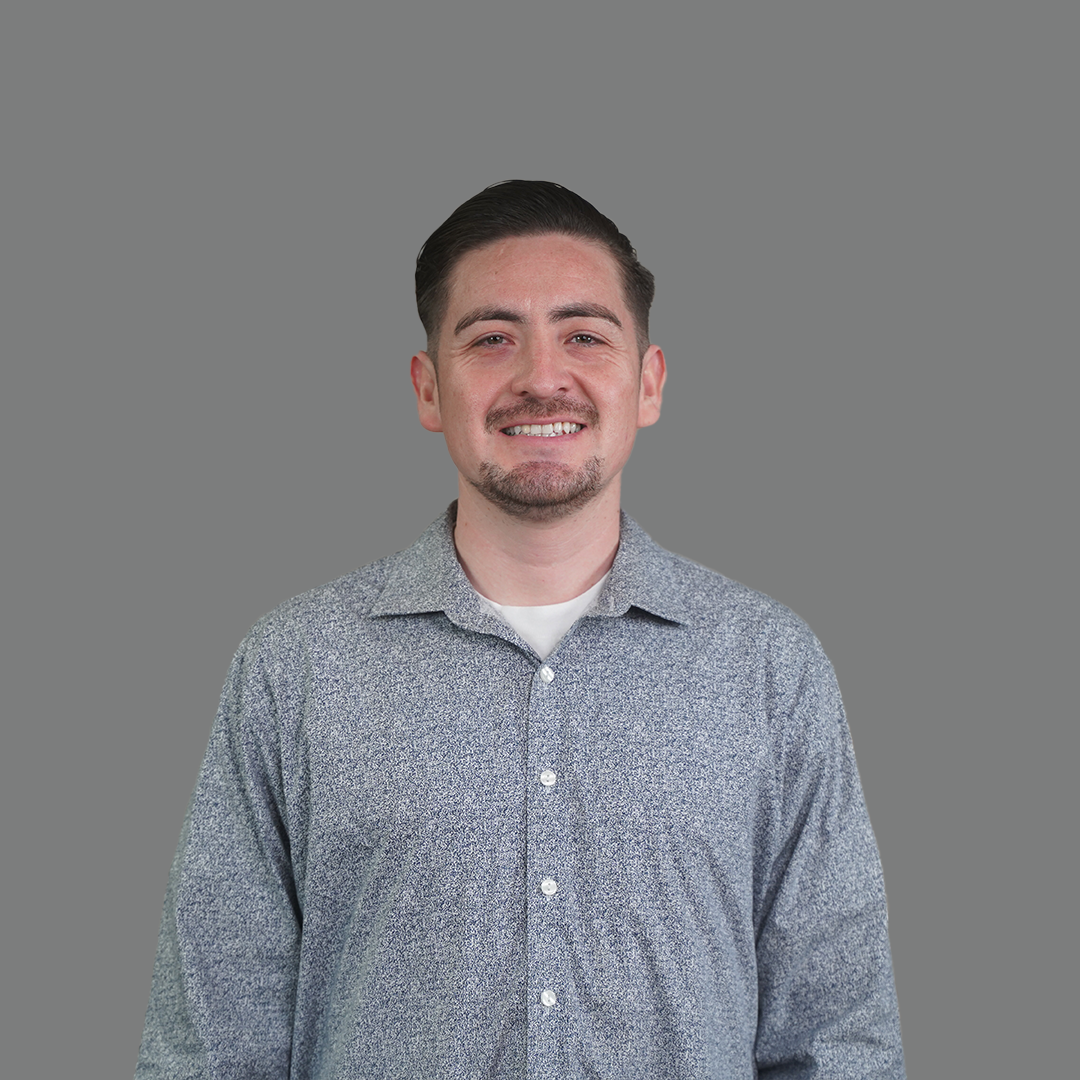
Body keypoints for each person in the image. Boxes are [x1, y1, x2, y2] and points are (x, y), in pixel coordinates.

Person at [136, 180, 905, 1078]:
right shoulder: (293, 668)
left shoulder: (769, 665)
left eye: (584, 335)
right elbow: (210, 1043)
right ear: (429, 388)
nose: (542, 376)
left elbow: (837, 1034)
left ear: (648, 382)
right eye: (492, 338)